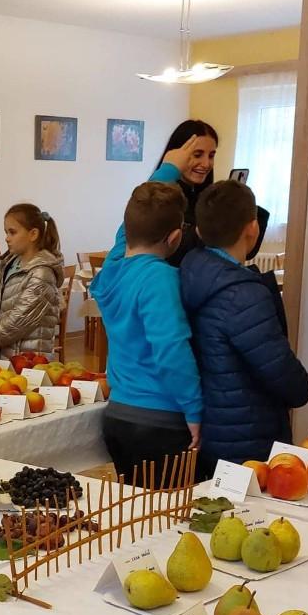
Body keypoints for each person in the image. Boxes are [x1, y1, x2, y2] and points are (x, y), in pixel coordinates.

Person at [180, 179, 308, 476]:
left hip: (211, 427)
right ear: (252, 229)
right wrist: (302, 387)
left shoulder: (191, 271)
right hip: (248, 438)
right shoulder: (243, 294)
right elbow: (287, 379)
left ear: (199, 231)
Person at [91, 181, 202, 483]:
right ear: (176, 237)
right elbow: (171, 351)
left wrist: (170, 167)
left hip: (118, 416)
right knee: (168, 520)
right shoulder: (160, 279)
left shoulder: (111, 271)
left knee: (138, 517)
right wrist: (194, 409)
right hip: (160, 421)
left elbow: (124, 232)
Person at [108, 119, 268, 266]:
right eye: (197, 155)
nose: (206, 163)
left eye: (211, 156)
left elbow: (246, 250)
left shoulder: (209, 200)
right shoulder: (161, 201)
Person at [0, 204, 64, 358]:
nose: (7, 238)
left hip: (30, 361)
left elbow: (18, 322)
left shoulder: (42, 272)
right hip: (8, 355)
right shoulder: (8, 264)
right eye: (6, 232)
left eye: (12, 232)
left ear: (33, 234)